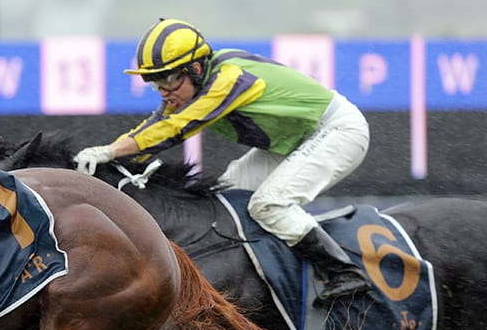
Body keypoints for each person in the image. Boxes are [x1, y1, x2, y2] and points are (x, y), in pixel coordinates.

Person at [73, 18, 372, 305]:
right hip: (293, 141)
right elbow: (153, 129)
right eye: (156, 83)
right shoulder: (193, 84)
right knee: (226, 199)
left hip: (336, 130)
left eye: (170, 79)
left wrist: (110, 151)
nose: (164, 91)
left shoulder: (227, 79)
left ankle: (344, 271)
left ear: (196, 67)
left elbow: (176, 129)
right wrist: (108, 156)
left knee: (267, 204)